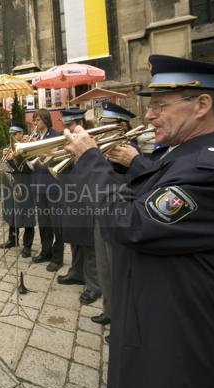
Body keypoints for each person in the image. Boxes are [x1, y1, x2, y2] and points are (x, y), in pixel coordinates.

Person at [63, 54, 214, 388]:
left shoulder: (210, 169)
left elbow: (131, 224)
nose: (150, 114)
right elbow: (135, 198)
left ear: (202, 104)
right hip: (152, 321)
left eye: (160, 105)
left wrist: (91, 160)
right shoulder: (179, 154)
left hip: (174, 341)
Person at [91, 102, 138, 327]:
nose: (101, 128)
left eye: (106, 124)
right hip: (103, 210)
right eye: (102, 123)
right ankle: (109, 310)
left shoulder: (129, 148)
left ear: (121, 125)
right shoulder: (106, 146)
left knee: (119, 270)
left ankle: (123, 320)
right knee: (104, 266)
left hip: (120, 213)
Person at [56, 109, 101, 306]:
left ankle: (94, 285)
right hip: (71, 193)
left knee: (89, 241)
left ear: (81, 122)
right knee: (75, 237)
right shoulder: (68, 140)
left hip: (88, 196)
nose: (69, 129)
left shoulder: (92, 139)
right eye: (67, 125)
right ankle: (76, 272)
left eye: (72, 124)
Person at [31, 109, 64, 271]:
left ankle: (58, 258)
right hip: (38, 184)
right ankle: (46, 251)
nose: (35, 123)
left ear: (45, 119)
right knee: (43, 222)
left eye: (37, 119)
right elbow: (31, 160)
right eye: (34, 120)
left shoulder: (56, 135)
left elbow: (59, 158)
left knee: (56, 223)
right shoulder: (36, 137)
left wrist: (47, 156)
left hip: (52, 185)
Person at [0, 123, 35, 257]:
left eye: (15, 134)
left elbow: (28, 167)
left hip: (25, 182)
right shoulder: (10, 148)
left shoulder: (28, 147)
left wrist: (15, 157)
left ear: (21, 133)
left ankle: (27, 245)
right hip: (12, 183)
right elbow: (8, 168)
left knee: (27, 214)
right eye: (11, 134)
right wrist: (6, 159)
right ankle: (12, 239)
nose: (13, 137)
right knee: (12, 211)